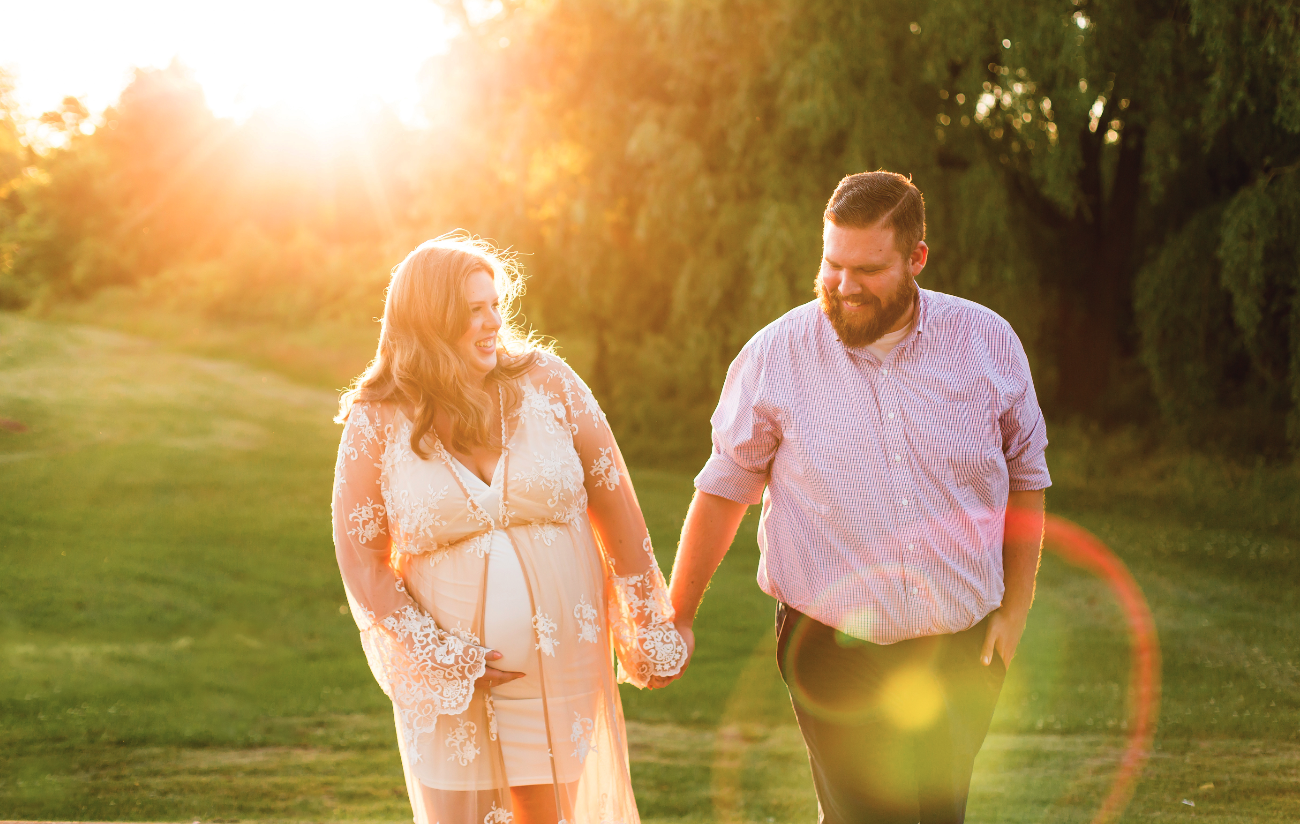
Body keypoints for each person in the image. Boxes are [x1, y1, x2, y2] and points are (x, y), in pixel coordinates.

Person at [666, 171, 1051, 824]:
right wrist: (677, 614)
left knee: (936, 815)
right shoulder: (777, 355)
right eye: (832, 263)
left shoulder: (987, 344)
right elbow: (724, 488)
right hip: (829, 647)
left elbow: (1026, 476)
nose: (844, 285)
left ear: (916, 258)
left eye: (867, 269)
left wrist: (1015, 610)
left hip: (961, 649)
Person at [331, 235, 687, 824]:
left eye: (495, 304)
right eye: (474, 310)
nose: (494, 321)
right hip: (454, 688)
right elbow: (362, 560)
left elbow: (617, 503)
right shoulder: (377, 418)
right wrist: (445, 657)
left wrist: (650, 624)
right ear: (429, 320)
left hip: (560, 671)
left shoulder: (549, 382)